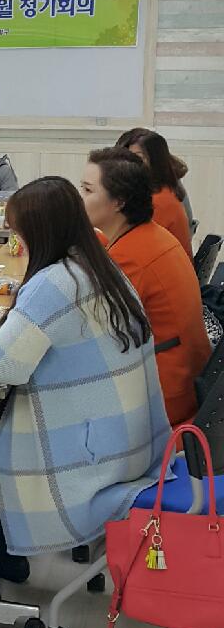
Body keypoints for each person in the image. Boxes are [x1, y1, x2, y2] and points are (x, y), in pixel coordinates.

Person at [0, 177, 168, 600]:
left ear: (39, 233)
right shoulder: (100, 266)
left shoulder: (54, 283)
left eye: (18, 233)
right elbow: (34, 336)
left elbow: (2, 366)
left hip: (90, 457)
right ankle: (7, 561)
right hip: (130, 442)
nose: (15, 242)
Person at [80, 147, 209, 424]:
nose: (81, 200)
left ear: (118, 202)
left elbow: (92, 330)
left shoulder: (131, 257)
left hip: (163, 397)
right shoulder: (152, 235)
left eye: (88, 191)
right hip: (187, 382)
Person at [117, 129, 193, 256]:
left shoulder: (158, 202)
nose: (128, 166)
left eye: (138, 158)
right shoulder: (162, 190)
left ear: (156, 161)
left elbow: (132, 248)